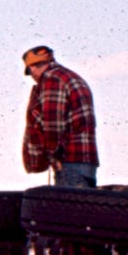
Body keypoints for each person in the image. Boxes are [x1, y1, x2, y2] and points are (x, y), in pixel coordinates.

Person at [21, 44, 98, 189]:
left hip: (68, 162)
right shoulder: (69, 76)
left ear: (31, 68)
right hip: (84, 161)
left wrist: (53, 156)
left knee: (69, 210)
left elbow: (53, 124)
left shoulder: (52, 80)